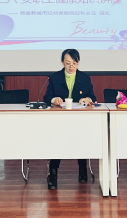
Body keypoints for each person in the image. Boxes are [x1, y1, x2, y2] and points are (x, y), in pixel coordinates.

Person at [42, 48, 96, 190]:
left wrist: (87, 99)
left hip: (80, 118)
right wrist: (54, 99)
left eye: (74, 63)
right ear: (62, 63)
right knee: (57, 142)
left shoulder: (85, 77)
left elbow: (93, 97)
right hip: (59, 118)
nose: (71, 66)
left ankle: (82, 170)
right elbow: (47, 97)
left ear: (78, 62)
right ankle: (53, 173)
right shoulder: (55, 77)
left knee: (81, 139)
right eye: (68, 63)